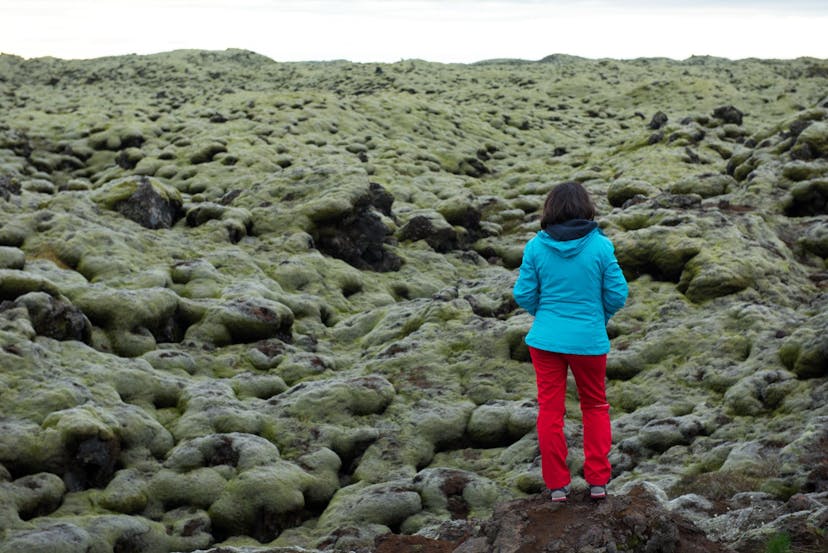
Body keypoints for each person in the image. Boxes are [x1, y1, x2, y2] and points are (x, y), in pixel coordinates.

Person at [513, 181, 628, 502]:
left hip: (545, 341)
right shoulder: (601, 246)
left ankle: (557, 487)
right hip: (589, 340)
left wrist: (546, 315)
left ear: (550, 208)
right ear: (585, 207)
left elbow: (523, 293)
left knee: (550, 410)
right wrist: (597, 317)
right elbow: (617, 293)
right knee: (595, 406)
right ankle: (598, 482)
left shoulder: (536, 246)